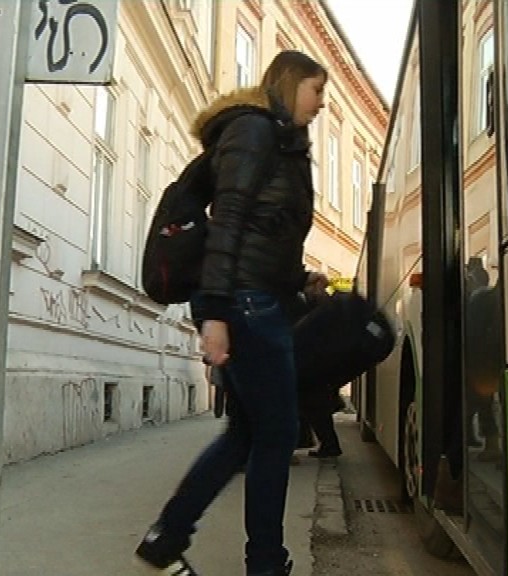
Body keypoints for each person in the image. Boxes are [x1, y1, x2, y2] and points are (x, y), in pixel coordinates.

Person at [135, 50, 329, 576]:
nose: (321, 104)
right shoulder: (255, 130)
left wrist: (297, 278)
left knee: (247, 433)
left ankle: (166, 539)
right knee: (277, 433)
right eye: (316, 90)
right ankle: (264, 563)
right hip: (245, 303)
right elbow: (229, 223)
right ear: (290, 83)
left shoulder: (275, 139)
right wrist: (216, 314)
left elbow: (265, 233)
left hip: (254, 296)